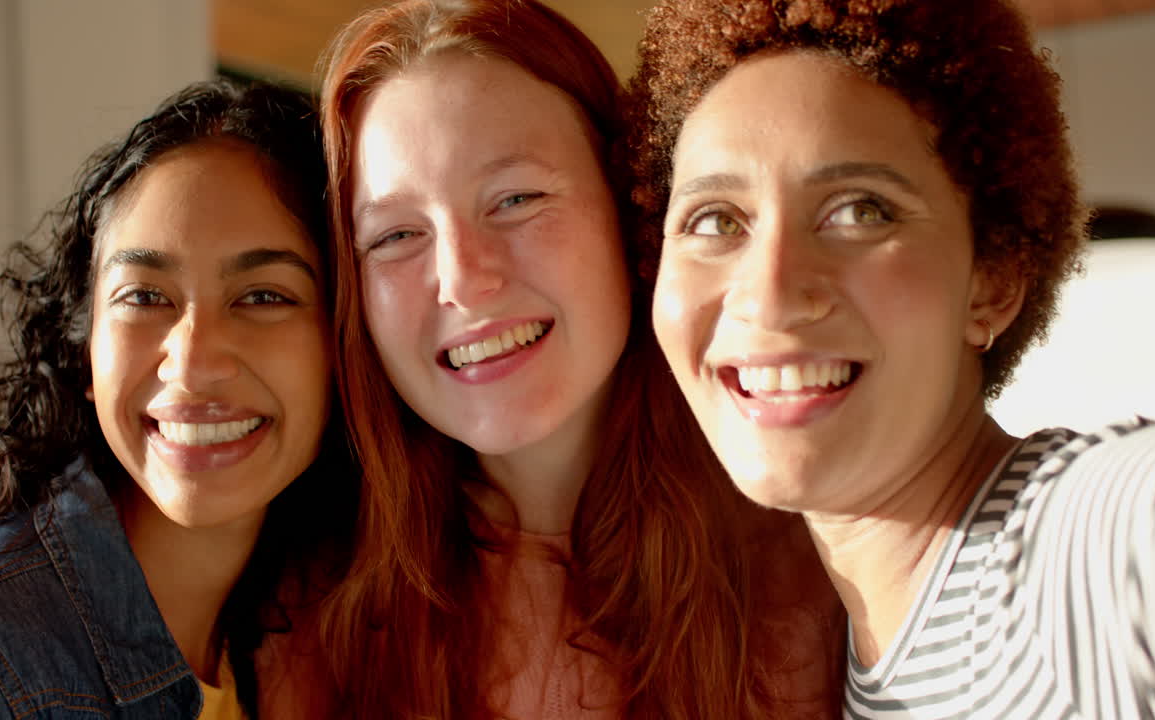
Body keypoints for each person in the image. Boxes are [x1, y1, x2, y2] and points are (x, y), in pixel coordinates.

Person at [257, 0, 842, 718]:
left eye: (516, 198)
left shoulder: (829, 564)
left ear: (632, 205)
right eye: (395, 235)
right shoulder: (305, 614)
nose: (464, 279)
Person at [626, 0, 1155, 717]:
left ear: (995, 279)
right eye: (715, 220)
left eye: (861, 210)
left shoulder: (1103, 538)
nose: (769, 293)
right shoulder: (805, 668)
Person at [0, 78, 350, 719]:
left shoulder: (325, 609)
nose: (193, 365)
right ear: (85, 349)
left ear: (344, 346)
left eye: (263, 296)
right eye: (144, 296)